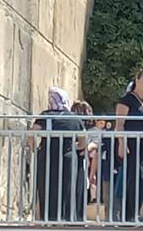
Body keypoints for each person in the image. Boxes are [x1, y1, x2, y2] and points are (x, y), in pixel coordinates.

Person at [30, 88, 84, 222]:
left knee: (46, 187)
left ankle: (47, 218)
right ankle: (65, 219)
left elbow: (31, 134)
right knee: (66, 188)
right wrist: (75, 147)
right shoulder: (74, 118)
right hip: (68, 157)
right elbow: (83, 141)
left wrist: (34, 148)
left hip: (47, 155)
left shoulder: (45, 116)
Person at [115, 68, 143, 222]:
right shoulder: (126, 100)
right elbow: (119, 125)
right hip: (132, 143)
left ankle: (137, 213)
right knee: (133, 177)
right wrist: (122, 143)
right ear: (137, 81)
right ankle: (128, 215)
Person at [72, 100, 98, 221]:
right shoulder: (74, 124)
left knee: (81, 187)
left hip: (83, 159)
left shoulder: (92, 129)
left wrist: (85, 147)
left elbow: (95, 143)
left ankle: (79, 216)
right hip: (75, 157)